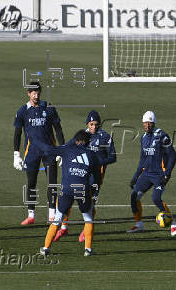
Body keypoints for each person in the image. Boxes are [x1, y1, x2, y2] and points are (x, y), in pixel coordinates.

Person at [53, 110, 116, 242]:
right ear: (87, 123)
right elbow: (68, 146)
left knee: (91, 203)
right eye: (91, 124)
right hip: (80, 174)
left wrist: (98, 162)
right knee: (67, 197)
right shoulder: (83, 135)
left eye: (96, 124)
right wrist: (60, 154)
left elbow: (112, 156)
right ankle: (64, 227)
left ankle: (85, 231)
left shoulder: (105, 137)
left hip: (96, 176)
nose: (93, 127)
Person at [38, 130, 101, 257]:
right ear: (88, 143)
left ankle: (46, 248)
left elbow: (49, 150)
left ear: (76, 141)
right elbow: (97, 177)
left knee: (58, 219)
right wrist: (93, 191)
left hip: (66, 189)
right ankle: (87, 250)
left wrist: (36, 141)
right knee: (88, 219)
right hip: (82, 189)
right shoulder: (92, 155)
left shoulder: (67, 149)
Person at [13, 81, 65, 225]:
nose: (36, 95)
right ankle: (31, 214)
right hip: (32, 152)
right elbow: (17, 133)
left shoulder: (49, 108)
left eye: (38, 93)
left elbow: (58, 129)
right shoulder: (22, 111)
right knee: (31, 182)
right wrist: (16, 154)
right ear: (28, 94)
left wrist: (62, 149)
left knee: (52, 183)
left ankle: (52, 214)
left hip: (50, 151)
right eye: (33, 93)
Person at [127, 111, 176, 236]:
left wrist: (167, 174)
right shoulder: (143, 138)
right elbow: (142, 160)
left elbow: (173, 156)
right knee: (134, 197)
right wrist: (135, 176)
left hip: (159, 175)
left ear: (153, 123)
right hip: (147, 174)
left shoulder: (162, 136)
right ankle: (139, 224)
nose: (147, 125)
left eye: (150, 123)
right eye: (145, 123)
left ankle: (173, 223)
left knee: (156, 199)